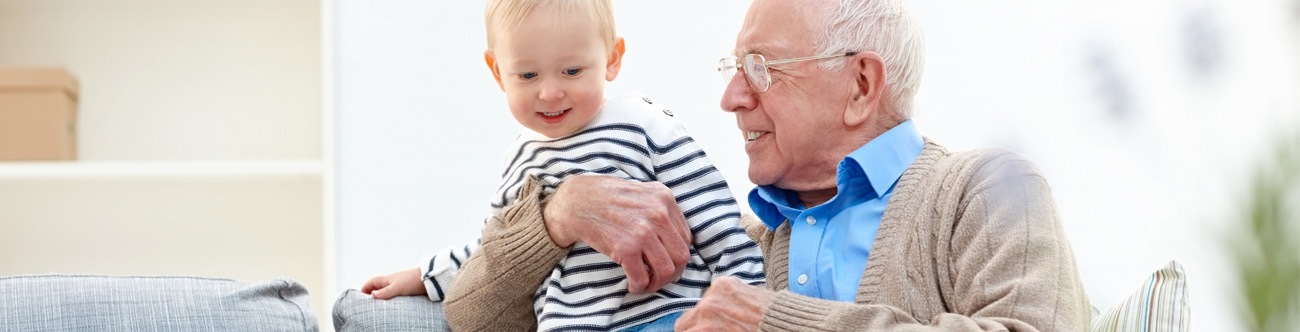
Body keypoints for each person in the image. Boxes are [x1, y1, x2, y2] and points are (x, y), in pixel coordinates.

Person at [442, 0, 1092, 331]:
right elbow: (474, 319)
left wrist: (771, 321)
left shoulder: (985, 194)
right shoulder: (735, 249)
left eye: (761, 69)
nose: (730, 99)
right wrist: (555, 219)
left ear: (862, 85)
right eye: (732, 71)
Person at [358, 0, 765, 331]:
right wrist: (422, 275)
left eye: (572, 71)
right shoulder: (521, 159)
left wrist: (751, 298)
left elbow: (715, 220)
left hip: (666, 317)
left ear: (611, 59)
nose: (550, 92)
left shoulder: (643, 124)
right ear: (498, 72)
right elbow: (494, 247)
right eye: (528, 74)